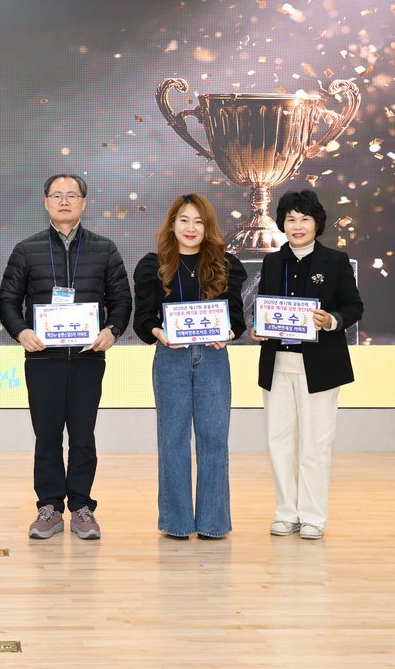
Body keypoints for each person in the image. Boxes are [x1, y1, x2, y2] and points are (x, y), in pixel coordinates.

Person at [0, 174, 131, 541]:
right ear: (46, 202)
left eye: (72, 195)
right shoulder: (27, 250)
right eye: (56, 195)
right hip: (43, 359)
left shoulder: (104, 249)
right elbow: (7, 300)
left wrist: (112, 330)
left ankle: (83, 507)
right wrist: (21, 332)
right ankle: (49, 507)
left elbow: (122, 299)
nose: (64, 201)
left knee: (83, 435)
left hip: (88, 358)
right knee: (47, 435)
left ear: (84, 203)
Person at [251, 189, 363, 540]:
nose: (297, 226)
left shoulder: (336, 261)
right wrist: (258, 328)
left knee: (316, 444)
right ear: (282, 223)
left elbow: (354, 307)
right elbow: (264, 308)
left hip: (321, 367)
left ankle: (313, 515)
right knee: (279, 442)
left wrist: (331, 320)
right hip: (277, 366)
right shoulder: (272, 262)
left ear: (317, 223)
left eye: (304, 218)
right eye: (290, 219)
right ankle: (286, 513)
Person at [133, 194, 245, 540]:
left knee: (214, 440)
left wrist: (229, 332)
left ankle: (213, 523)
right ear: (172, 225)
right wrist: (159, 332)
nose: (191, 228)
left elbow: (236, 317)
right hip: (171, 358)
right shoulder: (154, 265)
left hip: (212, 357)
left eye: (198, 221)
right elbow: (144, 318)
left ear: (208, 227)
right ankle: (176, 522)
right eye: (184, 220)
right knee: (173, 440)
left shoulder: (226, 264)